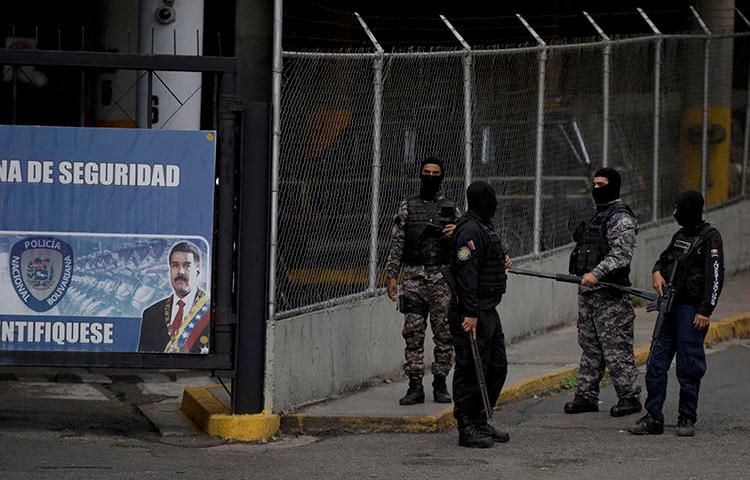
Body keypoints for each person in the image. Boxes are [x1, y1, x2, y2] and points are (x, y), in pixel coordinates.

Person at [629, 191, 724, 437]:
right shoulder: (680, 235)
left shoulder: (710, 238)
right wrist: (656, 272)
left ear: (689, 209)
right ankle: (653, 417)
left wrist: (706, 309)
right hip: (669, 308)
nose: (674, 213)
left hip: (692, 311)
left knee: (689, 365)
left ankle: (686, 417)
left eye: (677, 208)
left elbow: (715, 277)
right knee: (656, 363)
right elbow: (663, 260)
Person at [565, 167, 642, 417]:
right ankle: (586, 395)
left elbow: (621, 254)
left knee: (615, 347)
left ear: (614, 185)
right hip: (588, 294)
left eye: (601, 184)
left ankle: (629, 396)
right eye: (594, 184)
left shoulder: (621, 219)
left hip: (610, 296)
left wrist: (596, 274)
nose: (596, 188)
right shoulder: (597, 217)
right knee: (590, 345)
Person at [385, 157, 460, 405]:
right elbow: (398, 243)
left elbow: (464, 245)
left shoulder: (451, 208)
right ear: (420, 175)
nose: (430, 176)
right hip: (414, 279)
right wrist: (392, 274)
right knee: (413, 333)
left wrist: (455, 233)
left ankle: (440, 382)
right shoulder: (407, 207)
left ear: (441, 176)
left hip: (441, 279)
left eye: (435, 172)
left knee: (444, 334)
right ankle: (415, 385)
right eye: (426, 172)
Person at [447, 180, 512, 448]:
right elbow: (466, 275)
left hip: (488, 310)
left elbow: (488, 258)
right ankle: (467, 426)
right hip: (471, 312)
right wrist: (470, 313)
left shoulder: (484, 225)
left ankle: (481, 419)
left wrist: (502, 260)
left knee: (496, 367)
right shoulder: (469, 230)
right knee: (470, 369)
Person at [139, 241, 210, 353]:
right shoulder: (151, 314)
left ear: (197, 272)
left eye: (187, 266)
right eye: (175, 265)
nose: (180, 272)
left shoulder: (211, 313)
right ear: (170, 271)